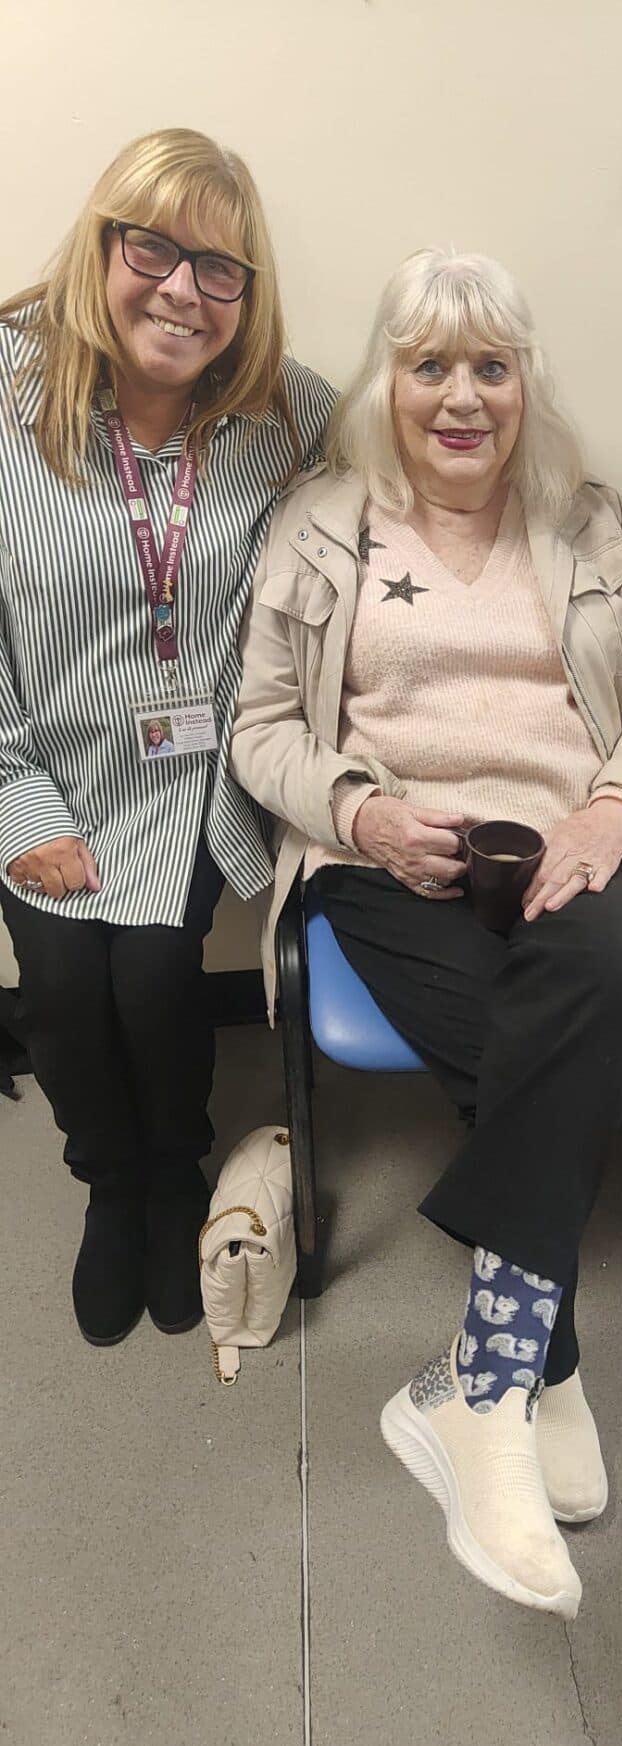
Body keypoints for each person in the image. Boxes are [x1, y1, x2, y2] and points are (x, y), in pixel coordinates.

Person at [231, 248, 622, 1617]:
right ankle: (538, 1362)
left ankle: (480, 1382)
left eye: (490, 368)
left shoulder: (582, 520)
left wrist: (619, 812)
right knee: (547, 1041)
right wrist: (358, 809)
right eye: (430, 365)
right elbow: (261, 729)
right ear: (390, 382)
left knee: (614, 963)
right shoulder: (321, 522)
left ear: (526, 383)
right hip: (390, 859)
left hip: (570, 843)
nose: (461, 397)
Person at [0, 129, 335, 1347]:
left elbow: (402, 496)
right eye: (155, 247)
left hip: (195, 772)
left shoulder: (289, 414)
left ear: (249, 296)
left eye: (220, 268)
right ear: (103, 247)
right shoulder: (6, 392)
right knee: (61, 989)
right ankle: (110, 1181)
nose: (182, 290)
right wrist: (19, 808)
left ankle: (175, 1168)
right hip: (33, 762)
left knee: (150, 976)